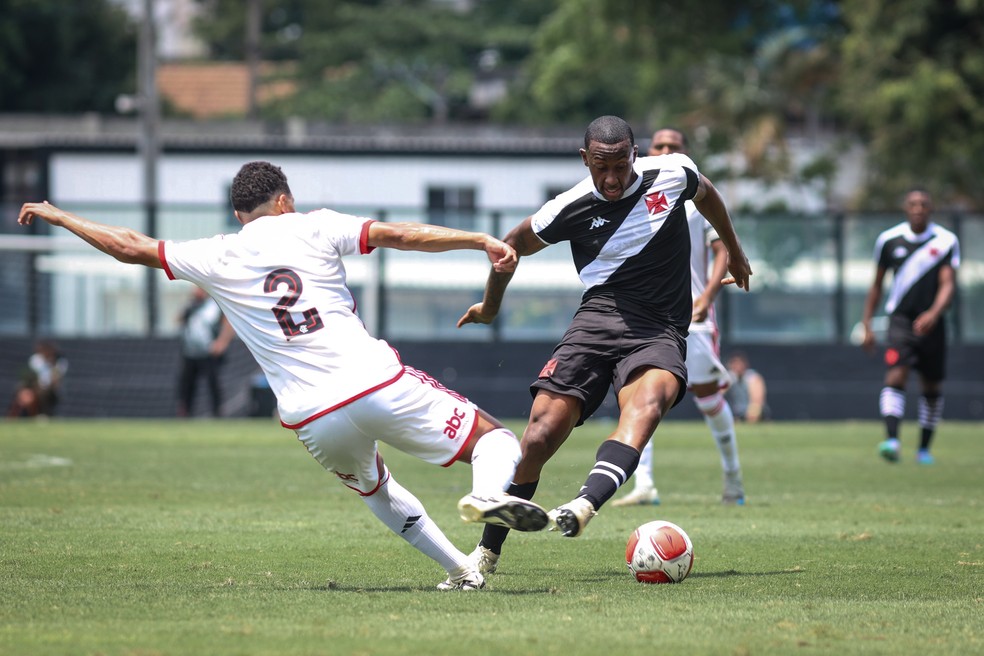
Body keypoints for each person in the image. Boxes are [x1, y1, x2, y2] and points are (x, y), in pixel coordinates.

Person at [18, 160, 550, 591]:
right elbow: (401, 235)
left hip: (312, 418)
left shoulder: (216, 253)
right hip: (372, 382)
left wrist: (61, 216)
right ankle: (484, 494)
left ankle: (461, 570)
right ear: (284, 200)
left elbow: (129, 245)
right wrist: (477, 239)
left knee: (377, 491)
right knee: (494, 440)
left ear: (237, 212)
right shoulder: (313, 223)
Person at [456, 116, 752, 576]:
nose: (611, 179)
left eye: (619, 166)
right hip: (596, 323)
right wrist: (490, 308)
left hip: (659, 329)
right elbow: (509, 246)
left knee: (647, 406)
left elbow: (707, 192)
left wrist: (733, 248)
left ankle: (585, 504)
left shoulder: (672, 173)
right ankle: (486, 554)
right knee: (538, 436)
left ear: (636, 154)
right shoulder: (568, 206)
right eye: (600, 167)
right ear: (584, 160)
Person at [613, 128, 746, 507]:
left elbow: (722, 250)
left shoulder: (694, 197)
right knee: (640, 395)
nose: (667, 150)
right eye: (661, 146)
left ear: (685, 152)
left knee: (707, 397)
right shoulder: (630, 196)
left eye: (675, 146)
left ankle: (733, 477)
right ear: (645, 152)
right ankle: (645, 484)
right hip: (646, 316)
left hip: (693, 315)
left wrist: (707, 295)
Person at [860, 188, 959, 465]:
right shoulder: (889, 240)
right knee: (895, 375)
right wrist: (867, 323)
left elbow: (948, 283)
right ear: (906, 208)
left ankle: (924, 449)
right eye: (913, 204)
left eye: (924, 204)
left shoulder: (946, 240)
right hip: (900, 321)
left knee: (931, 385)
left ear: (931, 208)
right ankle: (892, 440)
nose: (918, 208)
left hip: (932, 324)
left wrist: (934, 313)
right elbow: (876, 285)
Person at [176, 285, 236, 417]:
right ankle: (185, 412)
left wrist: (222, 342)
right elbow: (178, 320)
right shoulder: (191, 306)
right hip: (190, 352)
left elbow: (229, 323)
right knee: (187, 384)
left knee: (213, 383)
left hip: (209, 352)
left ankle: (218, 413)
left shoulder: (215, 305)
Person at [6, 340, 69, 418]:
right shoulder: (35, 359)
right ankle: (13, 415)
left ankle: (44, 414)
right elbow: (31, 376)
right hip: (34, 386)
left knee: (43, 393)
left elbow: (56, 379)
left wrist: (52, 364)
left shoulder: (59, 361)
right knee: (21, 391)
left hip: (49, 389)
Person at [724, 351, 769, 423]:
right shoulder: (728, 378)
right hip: (734, 413)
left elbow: (757, 399)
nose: (737, 367)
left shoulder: (752, 377)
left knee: (755, 410)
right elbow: (718, 395)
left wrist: (752, 411)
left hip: (751, 412)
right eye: (734, 364)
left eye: (739, 363)